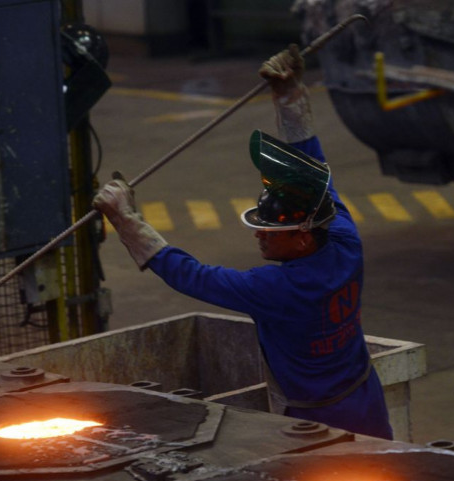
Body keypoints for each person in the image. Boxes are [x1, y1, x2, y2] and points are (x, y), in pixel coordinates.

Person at [92, 45, 393, 440]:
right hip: (366, 401)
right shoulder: (343, 238)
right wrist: (289, 95)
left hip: (316, 423)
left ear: (302, 239)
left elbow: (191, 276)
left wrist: (126, 221)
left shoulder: (276, 289)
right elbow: (315, 175)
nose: (258, 234)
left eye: (270, 230)